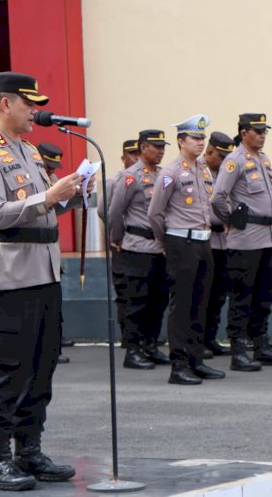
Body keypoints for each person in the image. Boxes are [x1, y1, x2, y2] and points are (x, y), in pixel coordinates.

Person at [0, 72, 87, 491]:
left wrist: (69, 194)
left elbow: (43, 210)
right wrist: (47, 198)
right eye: (28, 103)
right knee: (8, 370)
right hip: (11, 279)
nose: (35, 111)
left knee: (41, 367)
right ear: (5, 105)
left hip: (45, 273)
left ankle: (29, 451)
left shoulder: (30, 152)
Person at [211, 113, 272, 371]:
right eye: (257, 131)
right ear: (244, 133)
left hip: (268, 238)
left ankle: (261, 346)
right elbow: (218, 197)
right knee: (241, 297)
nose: (262, 135)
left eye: (264, 130)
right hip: (246, 239)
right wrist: (233, 220)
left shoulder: (263, 159)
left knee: (264, 295)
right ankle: (239, 352)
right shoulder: (234, 160)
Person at [148, 114, 225, 385]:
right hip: (181, 242)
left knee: (200, 302)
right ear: (181, 141)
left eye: (203, 138)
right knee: (181, 307)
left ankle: (196, 360)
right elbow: (155, 213)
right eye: (195, 138)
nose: (201, 143)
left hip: (204, 242)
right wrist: (165, 243)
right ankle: (178, 365)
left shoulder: (203, 171)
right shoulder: (170, 173)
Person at [108, 130, 170, 370]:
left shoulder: (164, 175)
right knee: (137, 301)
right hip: (138, 246)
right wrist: (117, 238)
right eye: (156, 146)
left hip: (160, 248)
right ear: (144, 148)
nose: (161, 151)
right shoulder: (130, 177)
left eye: (163, 146)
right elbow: (114, 212)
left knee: (158, 300)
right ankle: (133, 350)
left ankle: (150, 346)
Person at [98, 139, 140, 346]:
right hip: (122, 243)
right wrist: (119, 234)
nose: (136, 158)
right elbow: (103, 210)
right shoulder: (114, 180)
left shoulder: (148, 177)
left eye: (138, 153)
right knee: (125, 289)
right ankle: (128, 336)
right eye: (132, 154)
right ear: (124, 157)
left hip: (142, 244)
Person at [200, 132, 235, 357]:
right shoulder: (196, 170)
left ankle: (210, 338)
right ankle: (197, 340)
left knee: (218, 294)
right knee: (202, 292)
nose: (224, 161)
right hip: (205, 240)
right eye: (220, 156)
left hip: (225, 241)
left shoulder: (226, 171)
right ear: (209, 152)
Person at [38, 141, 74, 358]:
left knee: (54, 300)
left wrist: (76, 197)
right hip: (34, 250)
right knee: (39, 304)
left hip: (51, 248)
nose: (51, 171)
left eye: (53, 167)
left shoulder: (51, 180)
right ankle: (45, 347)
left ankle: (54, 341)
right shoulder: (31, 179)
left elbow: (56, 211)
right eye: (47, 165)